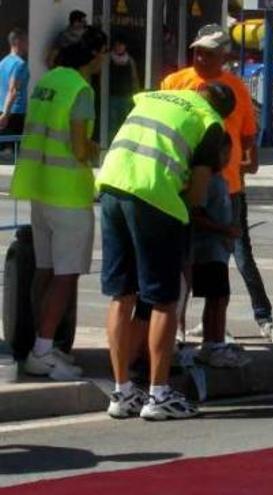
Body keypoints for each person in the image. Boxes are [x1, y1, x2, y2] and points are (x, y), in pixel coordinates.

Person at [96, 83, 235, 420]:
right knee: (163, 299)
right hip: (154, 196)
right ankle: (159, 395)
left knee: (122, 293)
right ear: (224, 112)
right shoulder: (210, 122)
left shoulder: (153, 97)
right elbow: (198, 193)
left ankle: (122, 391)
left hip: (112, 185)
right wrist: (183, 218)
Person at [161, 23, 273, 344]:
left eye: (208, 53)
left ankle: (263, 317)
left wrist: (238, 170)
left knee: (236, 258)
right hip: (184, 186)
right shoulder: (175, 83)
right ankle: (179, 327)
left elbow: (248, 141)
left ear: (223, 55)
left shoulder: (236, 88)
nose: (200, 58)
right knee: (182, 260)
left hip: (226, 190)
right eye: (197, 52)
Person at [10, 26, 107, 381]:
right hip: (68, 193)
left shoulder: (47, 83)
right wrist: (97, 148)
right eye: (103, 52)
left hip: (39, 188)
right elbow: (80, 148)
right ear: (92, 55)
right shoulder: (81, 90)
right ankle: (44, 349)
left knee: (45, 271)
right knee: (66, 277)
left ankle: (40, 343)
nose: (104, 59)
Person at [192, 132, 251, 368]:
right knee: (216, 298)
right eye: (224, 153)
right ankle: (212, 343)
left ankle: (215, 342)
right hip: (207, 250)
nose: (228, 158)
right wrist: (223, 230)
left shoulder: (220, 180)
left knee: (220, 298)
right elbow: (197, 215)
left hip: (219, 250)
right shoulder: (207, 181)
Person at [0, 28, 29, 151]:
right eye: (26, 41)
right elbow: (13, 90)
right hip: (15, 113)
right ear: (18, 42)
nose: (28, 44)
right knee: (17, 152)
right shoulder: (20, 64)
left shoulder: (3, 62)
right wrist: (6, 115)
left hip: (2, 108)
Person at [107, 36, 140, 138]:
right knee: (111, 124)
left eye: (121, 45)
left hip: (125, 96)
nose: (119, 47)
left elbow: (134, 78)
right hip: (111, 96)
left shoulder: (130, 60)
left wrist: (137, 94)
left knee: (124, 123)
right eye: (117, 45)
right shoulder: (108, 58)